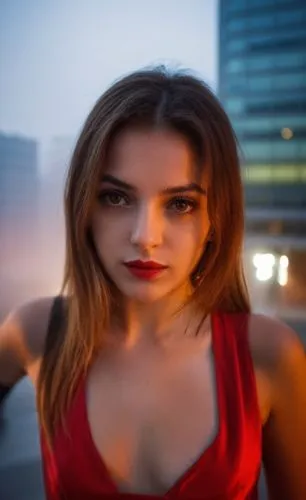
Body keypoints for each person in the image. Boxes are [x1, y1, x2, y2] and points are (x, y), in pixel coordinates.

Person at [0, 66, 306, 500]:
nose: (145, 235)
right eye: (116, 197)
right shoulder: (36, 332)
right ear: (84, 206)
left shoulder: (271, 355)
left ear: (214, 219)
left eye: (180, 203)